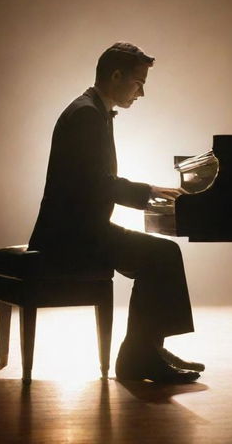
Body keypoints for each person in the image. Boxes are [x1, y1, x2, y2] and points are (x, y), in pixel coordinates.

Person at [28, 42, 202, 383]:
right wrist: (149, 192)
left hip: (81, 230)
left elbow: (97, 182)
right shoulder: (86, 116)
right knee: (162, 254)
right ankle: (140, 356)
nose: (142, 93)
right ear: (116, 75)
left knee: (161, 253)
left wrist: (147, 194)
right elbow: (98, 183)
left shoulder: (91, 110)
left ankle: (146, 348)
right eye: (139, 83)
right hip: (71, 237)